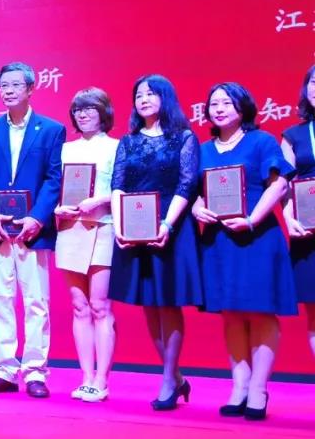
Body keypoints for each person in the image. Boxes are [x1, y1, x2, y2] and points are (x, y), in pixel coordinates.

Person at [191, 83, 295, 421]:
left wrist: (251, 219)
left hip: (256, 238)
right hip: (219, 241)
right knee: (231, 313)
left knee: (261, 313)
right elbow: (191, 191)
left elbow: (279, 184)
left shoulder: (261, 141)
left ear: (242, 107)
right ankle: (239, 386)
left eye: (226, 102)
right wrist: (197, 207)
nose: (219, 109)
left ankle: (259, 389)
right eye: (214, 104)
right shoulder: (203, 149)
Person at [108, 75, 202, 411]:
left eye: (150, 94)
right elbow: (117, 185)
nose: (144, 99)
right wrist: (119, 226)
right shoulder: (129, 141)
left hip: (170, 227)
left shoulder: (184, 138)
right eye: (138, 95)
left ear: (166, 97)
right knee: (149, 303)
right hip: (135, 228)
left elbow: (187, 185)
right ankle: (175, 376)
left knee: (168, 303)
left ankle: (168, 380)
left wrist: (167, 223)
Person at [0, 62, 65, 399]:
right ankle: (3, 370)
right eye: (3, 85)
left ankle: (35, 372)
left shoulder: (51, 130)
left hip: (32, 231)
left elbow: (54, 179)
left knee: (36, 302)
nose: (8, 90)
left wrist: (38, 218)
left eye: (14, 85)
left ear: (30, 88)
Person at [53, 88, 119, 402]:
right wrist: (57, 207)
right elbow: (54, 187)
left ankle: (102, 380)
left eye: (90, 108)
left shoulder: (117, 147)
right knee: (79, 307)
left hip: (104, 227)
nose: (83, 114)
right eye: (78, 109)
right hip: (70, 229)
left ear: (103, 112)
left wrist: (100, 200)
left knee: (99, 306)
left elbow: (124, 188)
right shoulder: (65, 149)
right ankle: (86, 377)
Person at [281, 64, 315, 360]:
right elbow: (285, 185)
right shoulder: (293, 135)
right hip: (308, 232)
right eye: (313, 82)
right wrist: (289, 218)